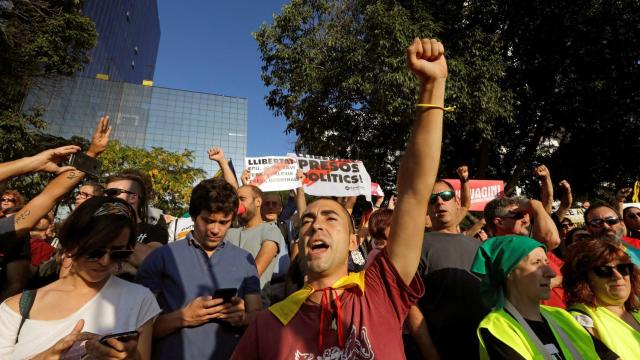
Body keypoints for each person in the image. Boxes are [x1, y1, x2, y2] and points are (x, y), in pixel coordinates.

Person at [231, 36, 445, 359]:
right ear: (300, 242)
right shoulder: (268, 325)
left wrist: (432, 87)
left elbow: (415, 192)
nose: (316, 225)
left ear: (351, 241)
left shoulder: (381, 290)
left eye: (331, 218)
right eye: (307, 221)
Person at [0, 197, 161, 359]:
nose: (105, 261)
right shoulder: (16, 308)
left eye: (118, 253)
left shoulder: (139, 299)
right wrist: (48, 356)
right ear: (71, 244)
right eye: (94, 252)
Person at [136, 178, 262, 359]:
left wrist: (242, 318)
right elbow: (137, 328)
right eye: (208, 220)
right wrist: (183, 317)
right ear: (194, 216)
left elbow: (257, 317)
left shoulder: (245, 259)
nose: (215, 230)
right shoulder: (162, 257)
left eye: (224, 222)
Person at [472, 235, 606, 359]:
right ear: (508, 272)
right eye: (536, 262)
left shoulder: (562, 316)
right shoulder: (497, 327)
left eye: (546, 263)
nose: (551, 273)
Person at [418, 178, 489, 359]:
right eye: (432, 199)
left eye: (446, 196)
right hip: (444, 349)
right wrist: (430, 352)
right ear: (427, 209)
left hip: (485, 347)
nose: (440, 202)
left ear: (457, 202)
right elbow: (410, 306)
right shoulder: (417, 247)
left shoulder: (478, 246)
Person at [563, 237, 640, 359]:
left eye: (623, 268)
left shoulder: (636, 312)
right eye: (604, 270)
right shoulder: (579, 319)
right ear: (584, 279)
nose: (618, 276)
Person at [106, 169, 168, 278]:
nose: (107, 198)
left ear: (133, 197)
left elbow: (150, 259)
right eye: (106, 193)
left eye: (113, 193)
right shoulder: (98, 226)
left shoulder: (155, 230)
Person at [225, 185, 286, 294]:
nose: (237, 204)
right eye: (235, 201)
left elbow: (254, 272)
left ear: (258, 202)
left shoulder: (270, 230)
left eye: (242, 199)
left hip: (256, 304)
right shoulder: (230, 232)